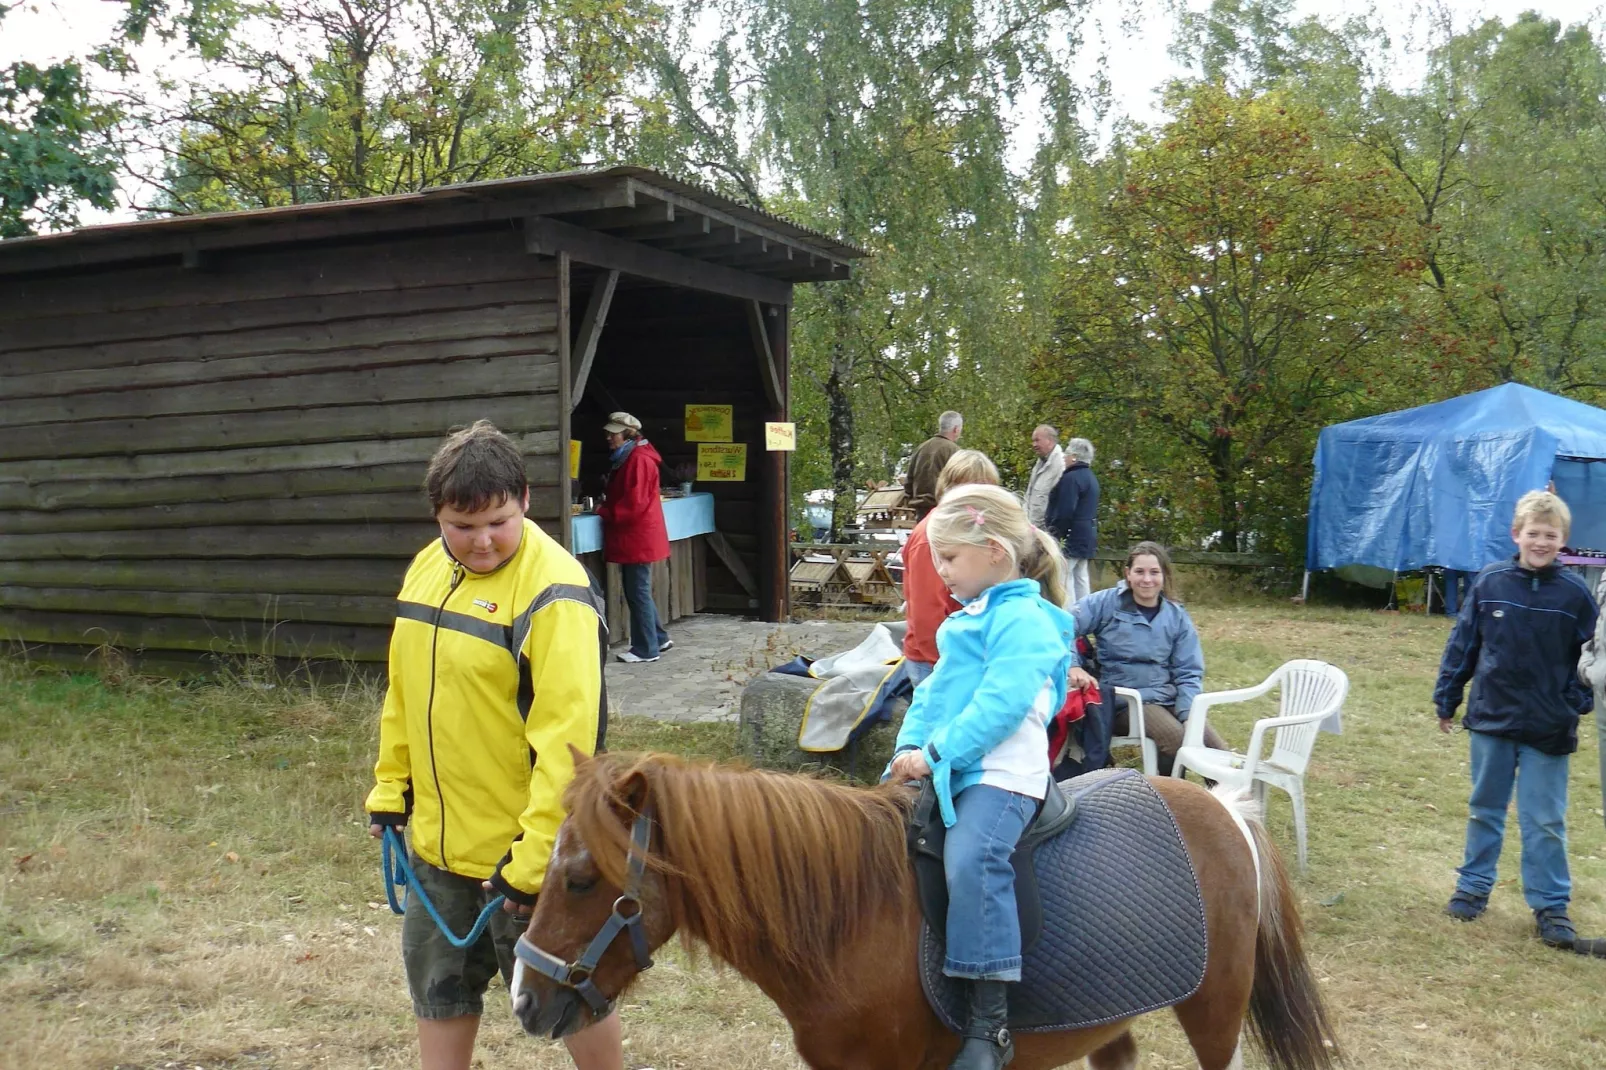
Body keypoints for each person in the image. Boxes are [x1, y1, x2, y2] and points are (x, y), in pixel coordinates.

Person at [365, 421, 623, 1070]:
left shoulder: (555, 594)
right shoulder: (428, 568)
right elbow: (405, 690)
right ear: (437, 517)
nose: (481, 542)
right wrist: (391, 787)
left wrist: (534, 862)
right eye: (461, 525)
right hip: (436, 847)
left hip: (522, 861)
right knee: (437, 987)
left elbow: (570, 746)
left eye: (498, 523)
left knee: (570, 994)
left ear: (527, 500)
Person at [888, 484, 1077, 1070]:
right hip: (952, 767)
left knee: (973, 857)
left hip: (1002, 773)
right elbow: (933, 693)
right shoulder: (967, 620)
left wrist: (937, 751)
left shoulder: (1025, 621)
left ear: (994, 550)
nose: (939, 571)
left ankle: (988, 1024)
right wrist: (908, 745)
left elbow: (999, 707)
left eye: (949, 558)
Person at [1437, 490, 1598, 952]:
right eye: (1534, 533)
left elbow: (1593, 656)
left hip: (1549, 728)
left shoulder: (1575, 596)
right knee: (1484, 808)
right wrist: (1448, 697)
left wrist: (1573, 702)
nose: (1541, 542)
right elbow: (1463, 645)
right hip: (1492, 719)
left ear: (1563, 540)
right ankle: (1472, 888)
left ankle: (1551, 906)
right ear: (1517, 534)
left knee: (1544, 820)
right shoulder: (1490, 584)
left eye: (1551, 535)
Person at [1071, 542, 1225, 775]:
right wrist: (1073, 665)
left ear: (1164, 575)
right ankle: (1171, 801)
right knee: (1176, 739)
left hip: (1166, 696)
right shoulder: (1104, 603)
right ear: (1128, 574)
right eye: (1139, 572)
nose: (1147, 580)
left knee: (1217, 751)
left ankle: (1227, 805)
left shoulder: (1176, 616)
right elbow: (1060, 628)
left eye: (1154, 572)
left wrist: (1187, 714)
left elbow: (1189, 671)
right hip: (1124, 700)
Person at [902, 450, 1001, 685]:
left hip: (963, 653)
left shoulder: (965, 528)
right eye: (975, 492)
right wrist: (946, 667)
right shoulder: (931, 537)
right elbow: (927, 614)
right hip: (936, 662)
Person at [597, 412, 672, 663]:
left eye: (614, 432)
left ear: (628, 434)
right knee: (638, 590)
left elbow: (633, 505)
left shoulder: (638, 460)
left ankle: (645, 650)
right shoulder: (634, 456)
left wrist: (604, 510)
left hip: (637, 536)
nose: (609, 437)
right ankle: (659, 639)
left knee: (637, 591)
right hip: (640, 535)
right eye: (608, 432)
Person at [1045, 437, 1099, 605]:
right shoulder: (1091, 478)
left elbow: (1066, 510)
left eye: (1067, 454)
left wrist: (1056, 533)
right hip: (1087, 533)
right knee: (1081, 577)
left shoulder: (1071, 478)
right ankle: (1086, 614)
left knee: (1065, 577)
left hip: (1071, 534)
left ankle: (1070, 617)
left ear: (1074, 457)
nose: (1064, 457)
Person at [904, 410, 963, 520]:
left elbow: (908, 482)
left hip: (921, 511)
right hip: (944, 510)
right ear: (956, 429)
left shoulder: (921, 448)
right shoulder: (955, 451)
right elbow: (962, 483)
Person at [1023, 425, 1064, 529]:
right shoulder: (1040, 463)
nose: (1034, 445)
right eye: (1033, 441)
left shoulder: (1061, 465)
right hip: (1031, 529)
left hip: (1047, 532)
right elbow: (1029, 496)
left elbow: (1061, 504)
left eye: (1037, 440)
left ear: (1049, 440)